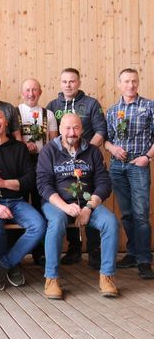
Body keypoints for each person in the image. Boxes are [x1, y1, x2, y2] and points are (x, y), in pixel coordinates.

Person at [37, 113, 119, 299]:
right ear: (60, 129)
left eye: (75, 128)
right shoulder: (49, 151)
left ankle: (107, 276)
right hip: (57, 203)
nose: (71, 132)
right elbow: (43, 185)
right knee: (56, 223)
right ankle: (51, 278)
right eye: (67, 128)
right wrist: (65, 207)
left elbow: (104, 183)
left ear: (82, 129)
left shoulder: (93, 151)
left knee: (110, 222)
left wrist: (89, 207)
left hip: (87, 203)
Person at [0, 105, 46, 290]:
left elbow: (30, 179)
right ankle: (13, 266)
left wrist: (4, 183)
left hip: (16, 201)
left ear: (5, 122)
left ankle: (5, 264)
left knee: (39, 225)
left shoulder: (19, 148)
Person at [47, 68, 107, 267]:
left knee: (88, 200)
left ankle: (94, 250)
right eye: (64, 81)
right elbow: (52, 135)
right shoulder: (53, 105)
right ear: (60, 83)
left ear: (79, 82)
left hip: (87, 162)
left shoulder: (91, 104)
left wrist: (87, 151)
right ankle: (74, 249)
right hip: (61, 164)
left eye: (72, 81)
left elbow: (101, 130)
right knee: (68, 198)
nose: (68, 85)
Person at [105, 68, 154, 279]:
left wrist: (147, 157)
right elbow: (106, 139)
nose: (130, 85)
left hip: (139, 164)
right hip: (117, 166)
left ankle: (144, 260)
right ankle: (132, 253)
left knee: (141, 214)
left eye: (134, 81)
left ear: (138, 82)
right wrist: (112, 148)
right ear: (119, 84)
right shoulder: (112, 111)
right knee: (126, 213)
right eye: (126, 81)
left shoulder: (149, 106)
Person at [17, 78, 58, 264]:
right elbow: (11, 140)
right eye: (27, 90)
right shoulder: (15, 112)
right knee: (20, 206)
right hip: (20, 166)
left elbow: (54, 143)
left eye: (34, 90)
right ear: (22, 92)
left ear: (40, 92)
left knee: (40, 206)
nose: (31, 93)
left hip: (43, 164)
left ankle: (40, 252)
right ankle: (19, 251)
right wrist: (25, 146)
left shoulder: (48, 114)